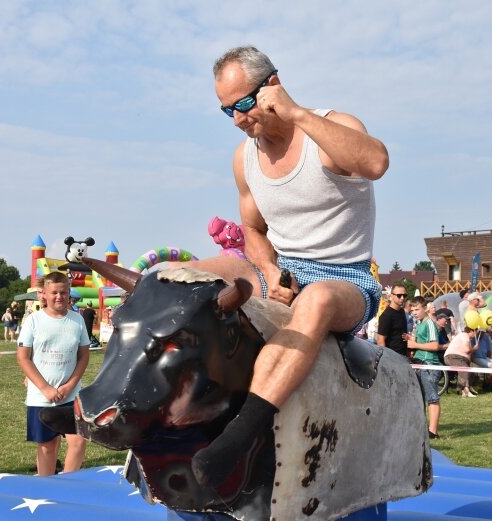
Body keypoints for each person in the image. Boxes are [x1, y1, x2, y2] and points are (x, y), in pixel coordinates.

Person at [170, 45, 388, 488]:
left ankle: (239, 436)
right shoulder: (243, 158)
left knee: (319, 299)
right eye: (226, 110)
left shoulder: (333, 127)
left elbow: (376, 163)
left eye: (244, 105)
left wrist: (298, 114)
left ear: (272, 85)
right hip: (283, 270)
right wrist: (269, 270)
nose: (238, 120)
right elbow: (253, 230)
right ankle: (149, 408)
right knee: (184, 274)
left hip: (344, 277)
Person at [17, 271, 90, 476]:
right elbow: (23, 358)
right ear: (45, 295)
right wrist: (45, 388)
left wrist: (69, 385)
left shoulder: (77, 320)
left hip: (71, 395)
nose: (59, 297)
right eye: (55, 293)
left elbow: (83, 356)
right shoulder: (33, 320)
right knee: (48, 446)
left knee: (78, 441)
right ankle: (47, 487)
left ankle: (68, 483)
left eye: (64, 292)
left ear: (69, 294)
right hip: (41, 397)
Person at [406, 297, 442, 439]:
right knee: (420, 398)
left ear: (425, 308)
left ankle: (433, 431)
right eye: (412, 310)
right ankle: (423, 428)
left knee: (432, 398)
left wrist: (415, 345)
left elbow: (435, 346)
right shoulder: (420, 324)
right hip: (420, 363)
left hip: (429, 365)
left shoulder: (429, 324)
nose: (414, 312)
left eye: (417, 309)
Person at [443, 327, 478, 397]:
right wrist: (474, 348)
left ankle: (468, 387)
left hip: (461, 358)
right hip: (453, 357)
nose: (476, 334)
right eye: (476, 332)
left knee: (474, 368)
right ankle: (464, 390)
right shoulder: (464, 335)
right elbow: (466, 350)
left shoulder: (466, 338)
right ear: (471, 331)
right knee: (464, 368)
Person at [376, 284, 409, 358]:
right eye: (399, 295)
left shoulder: (401, 311)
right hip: (392, 357)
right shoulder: (386, 315)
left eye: (405, 295)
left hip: (403, 355)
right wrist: (387, 359)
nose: (402, 298)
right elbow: (380, 341)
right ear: (391, 296)